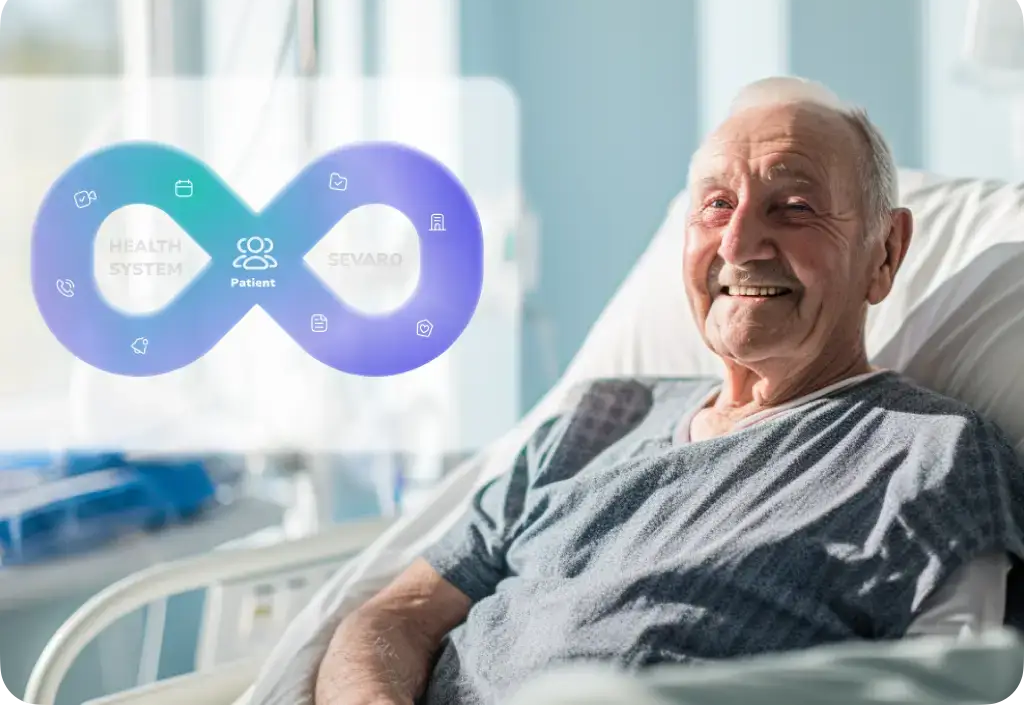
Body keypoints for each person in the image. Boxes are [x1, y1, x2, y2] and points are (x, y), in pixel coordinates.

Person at [313, 77, 1024, 705]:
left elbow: (958, 684)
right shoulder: (595, 421)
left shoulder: (931, 456)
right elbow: (393, 614)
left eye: (794, 205)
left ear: (886, 253)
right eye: (717, 205)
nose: (740, 242)